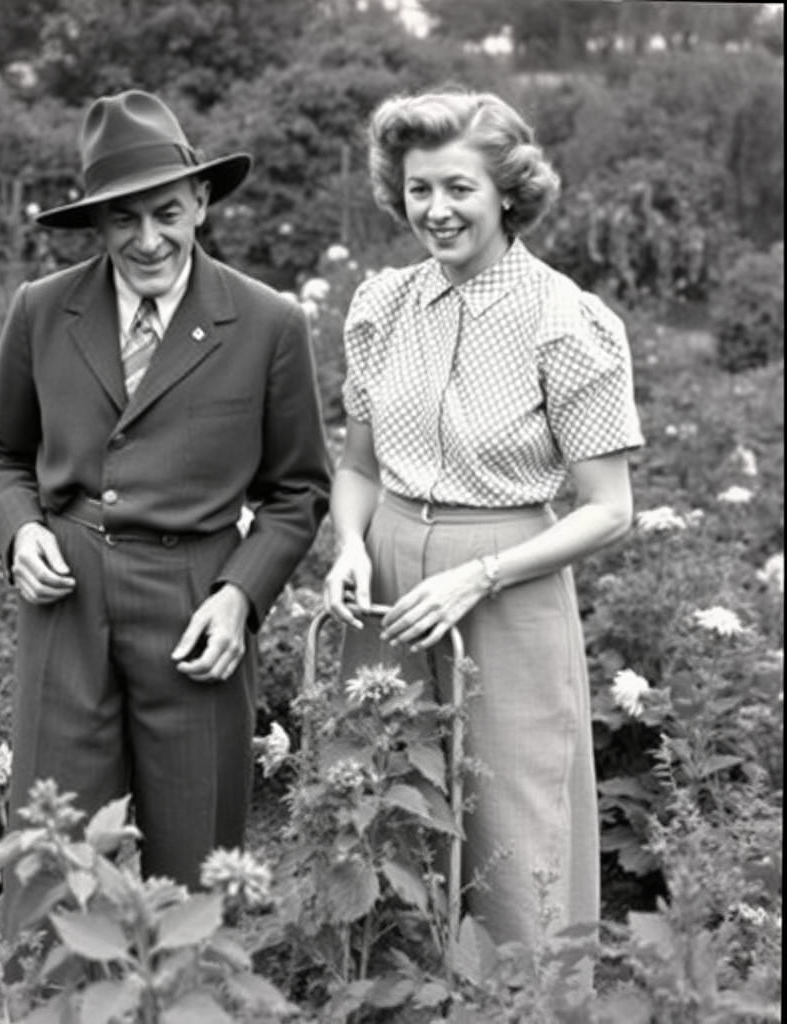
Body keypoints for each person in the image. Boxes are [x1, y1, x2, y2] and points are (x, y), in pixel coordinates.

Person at [0, 90, 330, 934]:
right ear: (94, 223)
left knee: (197, 860)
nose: (148, 239)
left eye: (167, 211)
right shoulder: (41, 309)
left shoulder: (268, 324)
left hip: (195, 602)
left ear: (202, 201)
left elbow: (297, 491)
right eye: (122, 219)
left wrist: (241, 596)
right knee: (50, 856)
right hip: (67, 597)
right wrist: (19, 528)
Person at [323, 86, 643, 948]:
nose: (436, 209)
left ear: (507, 190)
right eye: (420, 188)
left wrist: (479, 573)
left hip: (506, 575)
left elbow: (609, 510)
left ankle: (525, 1000)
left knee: (513, 811)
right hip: (388, 579)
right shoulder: (381, 307)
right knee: (377, 795)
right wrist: (350, 544)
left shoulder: (564, 321)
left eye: (459, 187)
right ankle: (383, 991)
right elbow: (356, 468)